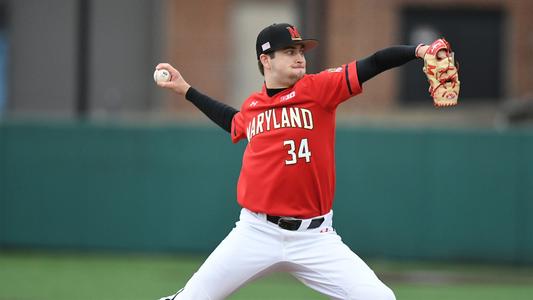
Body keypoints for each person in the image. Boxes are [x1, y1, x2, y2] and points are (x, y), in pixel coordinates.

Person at [155, 23, 435, 300]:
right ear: (266, 59)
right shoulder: (254, 106)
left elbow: (373, 63)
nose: (300, 56)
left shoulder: (320, 88)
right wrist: (187, 90)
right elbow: (233, 121)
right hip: (256, 232)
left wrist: (419, 50)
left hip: (316, 237)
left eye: (301, 50)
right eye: (289, 51)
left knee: (379, 298)